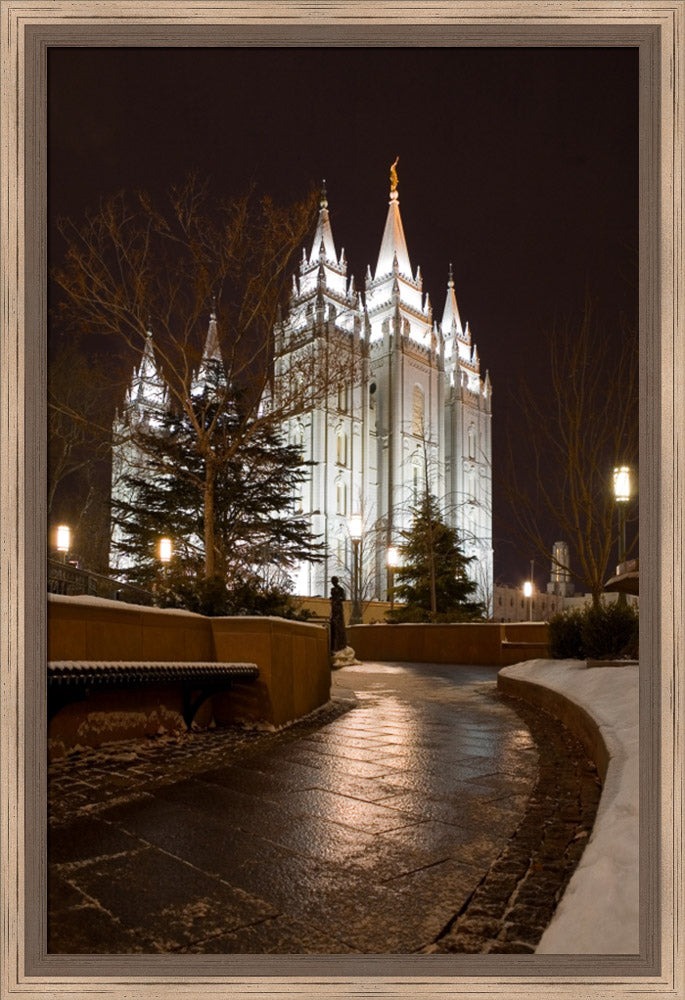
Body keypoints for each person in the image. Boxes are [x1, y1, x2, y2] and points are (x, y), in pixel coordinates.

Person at [329, 576, 347, 652]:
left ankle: (340, 645)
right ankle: (333, 647)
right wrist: (332, 599)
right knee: (333, 626)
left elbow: (343, 598)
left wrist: (337, 599)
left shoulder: (340, 589)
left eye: (334, 581)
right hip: (334, 609)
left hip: (338, 610)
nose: (333, 582)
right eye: (332, 581)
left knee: (339, 626)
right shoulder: (332, 590)